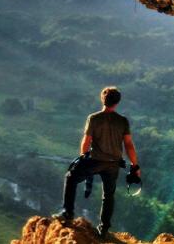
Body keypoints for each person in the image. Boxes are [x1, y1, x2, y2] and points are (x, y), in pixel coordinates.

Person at [53, 86, 141, 238]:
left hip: (95, 160)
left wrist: (82, 157)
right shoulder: (122, 121)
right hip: (113, 164)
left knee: (70, 177)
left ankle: (67, 213)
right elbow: (128, 145)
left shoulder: (94, 118)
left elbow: (86, 141)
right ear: (117, 102)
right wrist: (135, 166)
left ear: (102, 99)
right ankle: (104, 229)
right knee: (108, 195)